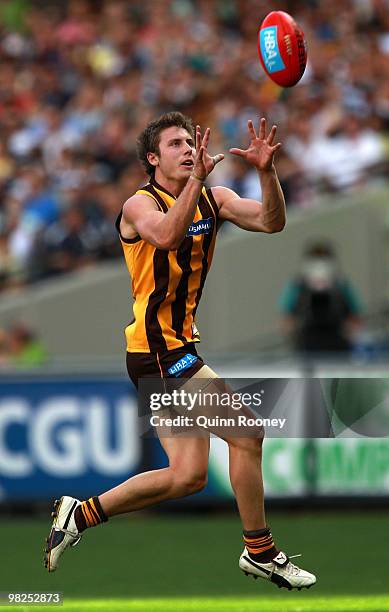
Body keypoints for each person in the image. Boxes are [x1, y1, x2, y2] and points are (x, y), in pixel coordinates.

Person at [44, 112, 316, 590]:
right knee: (247, 433)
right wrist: (195, 183)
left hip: (171, 348)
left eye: (190, 142)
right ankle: (261, 551)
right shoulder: (138, 204)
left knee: (186, 476)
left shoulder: (213, 197)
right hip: (158, 350)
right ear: (153, 159)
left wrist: (265, 172)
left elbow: (272, 222)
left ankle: (80, 513)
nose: (188, 149)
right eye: (175, 144)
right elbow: (168, 234)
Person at [279, 242, 362, 354]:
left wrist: (350, 333)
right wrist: (292, 334)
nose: (320, 265)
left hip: (337, 343)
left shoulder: (341, 285)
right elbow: (286, 317)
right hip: (307, 344)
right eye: (315, 260)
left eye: (324, 259)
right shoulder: (298, 285)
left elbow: (355, 315)